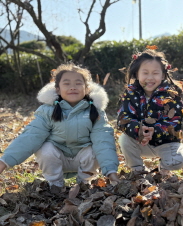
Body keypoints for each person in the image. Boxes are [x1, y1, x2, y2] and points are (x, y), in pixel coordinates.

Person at [0, 63, 120, 192]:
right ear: (57, 89)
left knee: (94, 149)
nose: (73, 87)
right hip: (57, 158)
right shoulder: (47, 111)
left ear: (87, 89)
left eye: (78, 83)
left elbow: (103, 142)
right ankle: (56, 185)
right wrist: (4, 162)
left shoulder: (96, 112)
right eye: (66, 83)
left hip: (84, 159)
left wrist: (111, 171)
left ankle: (84, 184)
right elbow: (30, 137)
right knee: (45, 148)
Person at [117, 47, 183, 176]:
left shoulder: (171, 95)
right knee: (124, 139)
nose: (150, 77)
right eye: (145, 73)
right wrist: (139, 130)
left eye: (155, 73)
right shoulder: (130, 94)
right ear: (136, 74)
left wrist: (155, 130)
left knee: (179, 161)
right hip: (140, 141)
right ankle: (137, 170)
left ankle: (164, 168)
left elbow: (175, 122)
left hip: (166, 142)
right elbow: (123, 117)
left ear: (163, 75)